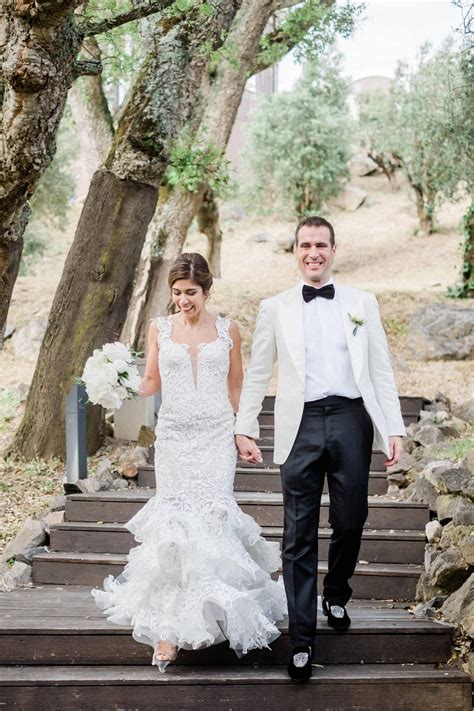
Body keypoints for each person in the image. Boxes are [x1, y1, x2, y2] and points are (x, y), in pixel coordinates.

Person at [92, 253, 286, 671]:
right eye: (177, 293)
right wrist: (116, 381)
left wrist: (244, 433)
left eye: (191, 293)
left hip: (216, 436)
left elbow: (237, 388)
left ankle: (217, 613)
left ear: (206, 290)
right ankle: (168, 629)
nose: (183, 300)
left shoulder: (227, 329)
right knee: (175, 528)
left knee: (213, 518)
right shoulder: (158, 328)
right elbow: (150, 382)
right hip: (176, 437)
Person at [235, 215, 405, 682]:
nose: (314, 252)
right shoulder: (276, 307)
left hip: (352, 418)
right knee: (298, 535)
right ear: (295, 250)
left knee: (352, 518)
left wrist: (394, 427)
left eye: (321, 245)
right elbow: (257, 371)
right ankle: (302, 640)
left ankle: (336, 592)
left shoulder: (361, 303)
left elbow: (381, 369)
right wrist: (244, 425)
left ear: (334, 249)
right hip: (301, 424)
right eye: (306, 245)